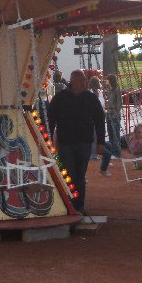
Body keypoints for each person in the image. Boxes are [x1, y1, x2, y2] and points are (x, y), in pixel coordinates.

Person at [47, 69, 105, 213]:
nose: (84, 83)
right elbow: (50, 119)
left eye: (84, 80)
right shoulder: (60, 98)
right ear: (73, 82)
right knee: (69, 174)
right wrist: (48, 139)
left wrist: (101, 142)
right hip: (65, 142)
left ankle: (78, 205)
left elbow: (99, 120)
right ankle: (69, 204)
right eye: (81, 80)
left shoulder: (91, 98)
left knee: (80, 175)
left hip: (84, 142)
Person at [101, 73, 122, 172]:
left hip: (114, 114)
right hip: (109, 114)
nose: (106, 82)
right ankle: (113, 151)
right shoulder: (109, 90)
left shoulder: (117, 90)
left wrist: (116, 113)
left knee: (115, 133)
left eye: (107, 80)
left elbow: (119, 103)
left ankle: (117, 153)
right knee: (110, 134)